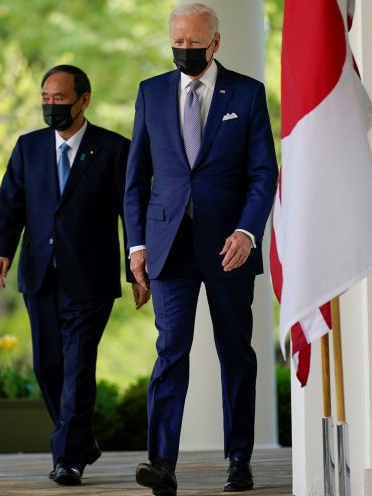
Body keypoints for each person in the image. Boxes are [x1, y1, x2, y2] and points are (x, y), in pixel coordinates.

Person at [124, 3, 278, 494]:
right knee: (171, 350)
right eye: (178, 41)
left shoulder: (248, 95)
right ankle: (162, 463)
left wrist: (248, 232)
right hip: (169, 246)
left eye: (193, 42)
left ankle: (239, 460)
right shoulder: (151, 93)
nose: (184, 50)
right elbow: (135, 180)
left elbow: (263, 174)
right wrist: (137, 246)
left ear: (215, 43)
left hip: (229, 246)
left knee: (235, 351)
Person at [0, 65, 149, 486]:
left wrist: (138, 267)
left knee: (78, 367)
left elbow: (130, 212)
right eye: (45, 97)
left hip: (90, 279)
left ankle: (67, 459)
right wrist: (1, 250)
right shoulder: (28, 148)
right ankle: (81, 440)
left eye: (59, 98)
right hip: (39, 277)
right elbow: (8, 203)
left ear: (84, 100)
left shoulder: (114, 150)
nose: (50, 106)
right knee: (48, 367)